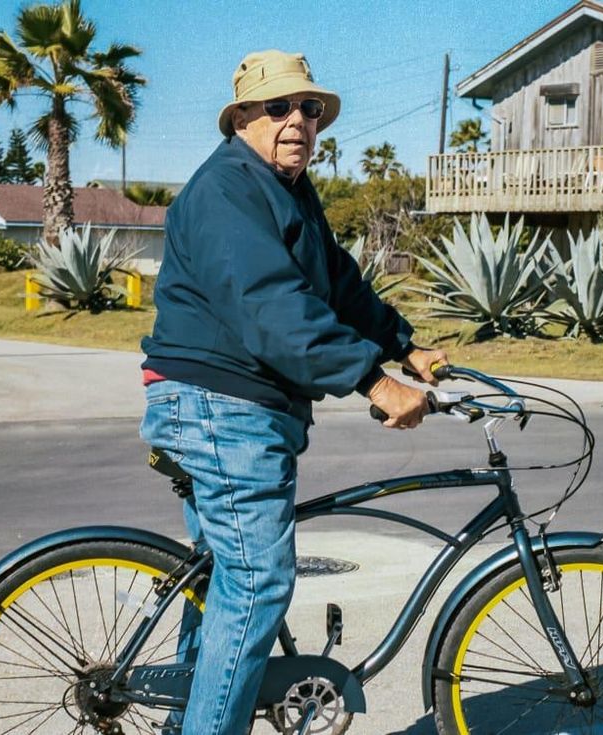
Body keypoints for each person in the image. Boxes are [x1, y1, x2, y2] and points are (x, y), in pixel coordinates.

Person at [139, 49, 448, 734]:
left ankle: (188, 719)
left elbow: (337, 284)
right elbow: (272, 308)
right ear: (243, 118)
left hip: (236, 409)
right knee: (257, 586)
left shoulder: (287, 192)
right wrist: (373, 381)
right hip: (221, 407)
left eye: (309, 109)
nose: (298, 122)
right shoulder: (227, 191)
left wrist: (405, 346)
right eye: (278, 107)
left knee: (225, 584)